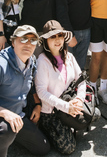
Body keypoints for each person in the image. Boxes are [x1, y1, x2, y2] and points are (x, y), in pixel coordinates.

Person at [0, 25, 50, 157]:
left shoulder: (31, 62)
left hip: (16, 115)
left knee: (42, 148)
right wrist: (5, 114)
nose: (28, 44)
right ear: (13, 42)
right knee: (6, 129)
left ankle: (9, 138)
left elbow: (30, 86)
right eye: (24, 39)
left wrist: (37, 104)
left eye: (32, 41)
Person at [35, 20, 85, 155]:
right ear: (45, 40)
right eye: (53, 36)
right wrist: (65, 107)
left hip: (70, 103)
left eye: (60, 35)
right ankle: (48, 130)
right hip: (51, 112)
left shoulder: (70, 57)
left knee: (94, 114)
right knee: (69, 148)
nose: (58, 40)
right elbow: (41, 92)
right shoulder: (42, 61)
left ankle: (68, 125)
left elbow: (81, 81)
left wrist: (79, 100)